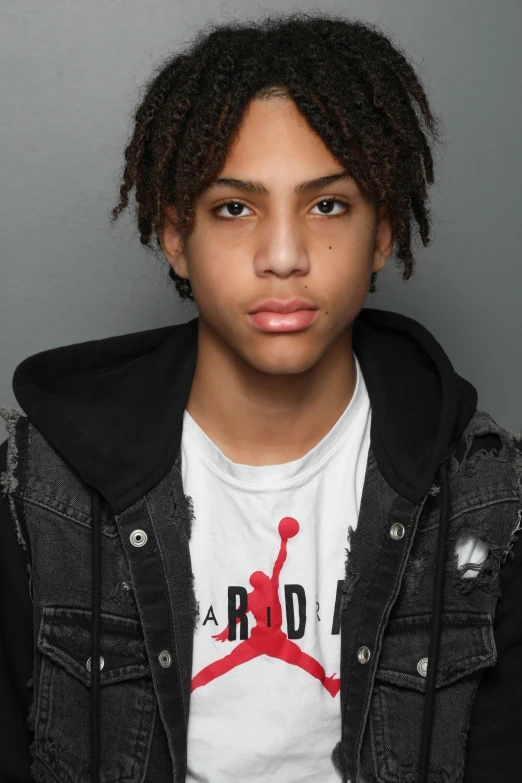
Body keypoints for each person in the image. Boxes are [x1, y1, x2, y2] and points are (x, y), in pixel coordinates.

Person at [1, 10, 521, 783]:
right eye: (234, 208)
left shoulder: (485, 496)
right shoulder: (38, 491)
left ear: (384, 233)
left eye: (329, 205)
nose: (284, 255)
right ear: (175, 234)